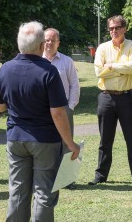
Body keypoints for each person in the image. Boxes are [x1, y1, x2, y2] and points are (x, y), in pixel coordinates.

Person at [0, 21, 80, 222]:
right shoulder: (49, 71)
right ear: (41, 45)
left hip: (15, 138)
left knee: (17, 191)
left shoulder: (5, 69)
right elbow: (58, 113)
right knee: (44, 192)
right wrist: (70, 143)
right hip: (45, 140)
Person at [88, 15, 132, 186]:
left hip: (128, 98)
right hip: (106, 97)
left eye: (117, 27)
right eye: (111, 28)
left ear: (124, 28)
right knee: (105, 139)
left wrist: (111, 66)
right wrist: (122, 69)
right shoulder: (102, 48)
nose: (113, 31)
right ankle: (101, 176)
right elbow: (99, 71)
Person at [43, 28, 80, 190]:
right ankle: (48, 178)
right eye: (46, 40)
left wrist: (70, 107)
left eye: (52, 40)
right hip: (42, 109)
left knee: (67, 143)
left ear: (58, 43)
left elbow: (75, 86)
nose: (49, 43)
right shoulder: (37, 60)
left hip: (64, 108)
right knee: (46, 144)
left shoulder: (67, 61)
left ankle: (66, 180)